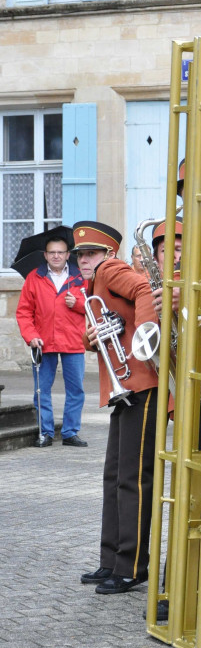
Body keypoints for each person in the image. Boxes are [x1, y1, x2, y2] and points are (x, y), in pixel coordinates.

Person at [76, 221, 160, 595]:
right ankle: (111, 561)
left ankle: (131, 566)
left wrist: (144, 335)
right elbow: (103, 328)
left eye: (91, 253)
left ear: (108, 254)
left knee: (132, 480)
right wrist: (90, 338)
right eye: (80, 255)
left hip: (142, 385)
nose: (83, 260)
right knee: (114, 478)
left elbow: (144, 289)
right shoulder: (92, 284)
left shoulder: (110, 270)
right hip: (125, 390)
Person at [16, 234, 88, 448]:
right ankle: (45, 432)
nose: (56, 256)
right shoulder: (33, 278)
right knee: (41, 390)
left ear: (68, 255)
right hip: (42, 342)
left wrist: (77, 303)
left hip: (73, 341)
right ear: (45, 255)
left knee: (76, 390)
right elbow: (24, 312)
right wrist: (31, 336)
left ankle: (70, 433)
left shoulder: (81, 277)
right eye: (52, 252)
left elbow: (94, 306)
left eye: (61, 252)